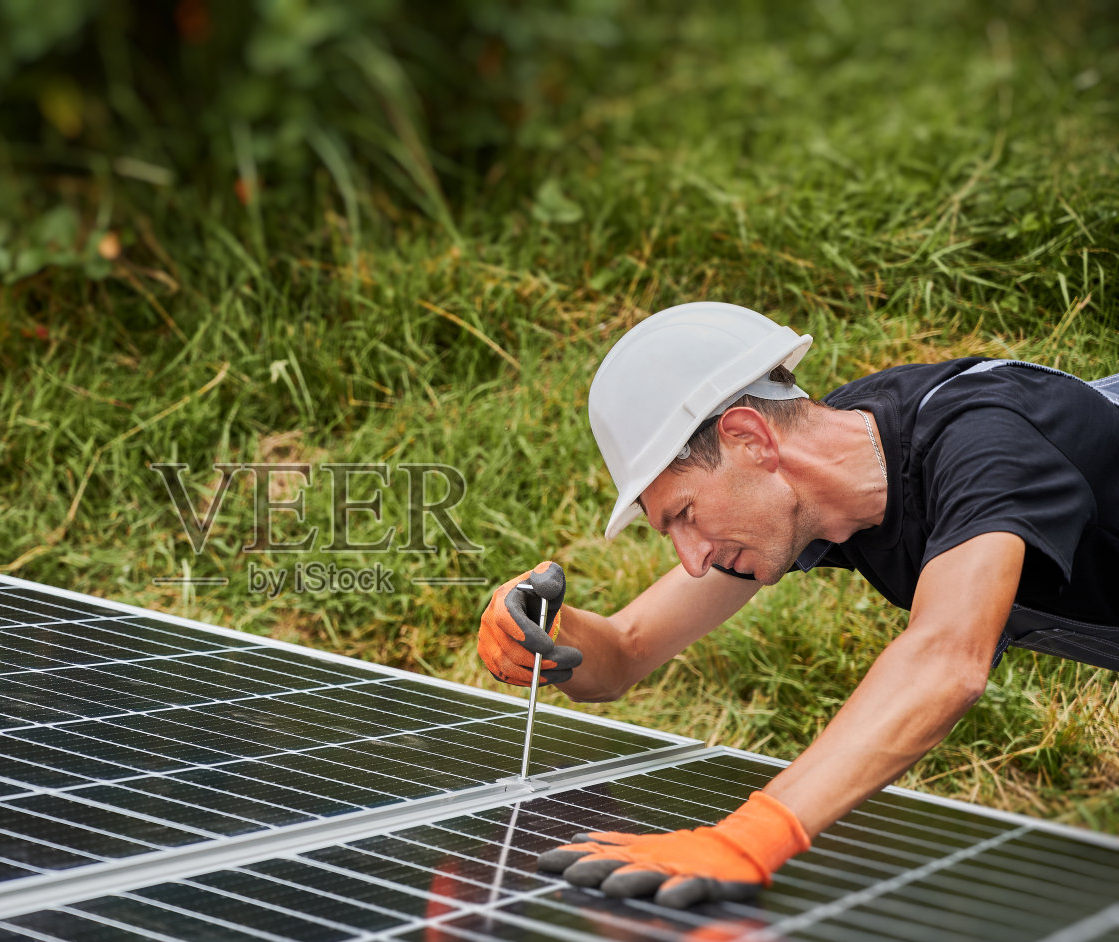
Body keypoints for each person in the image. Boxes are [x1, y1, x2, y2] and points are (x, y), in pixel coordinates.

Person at [478, 302, 1119, 909]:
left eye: (686, 515)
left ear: (751, 438)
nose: (692, 559)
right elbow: (627, 652)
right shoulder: (821, 486)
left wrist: (749, 836)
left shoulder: (989, 446)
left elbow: (946, 659)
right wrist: (547, 635)